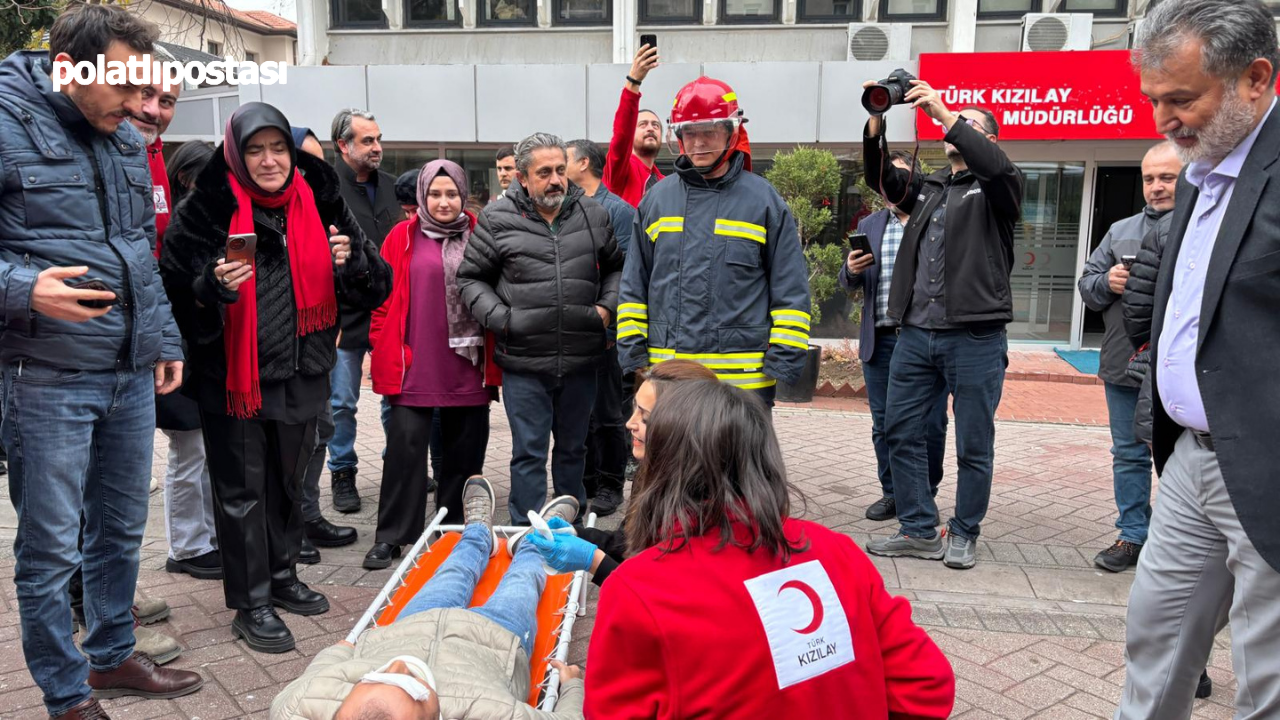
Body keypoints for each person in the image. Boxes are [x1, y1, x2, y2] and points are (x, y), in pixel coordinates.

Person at [0, 5, 203, 717]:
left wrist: (164, 338)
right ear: (67, 69)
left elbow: (140, 255)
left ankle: (111, 655)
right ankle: (64, 692)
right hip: (44, 377)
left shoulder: (119, 137)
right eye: (125, 86)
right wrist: (23, 288)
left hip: (126, 371)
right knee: (51, 549)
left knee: (119, 527)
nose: (141, 105)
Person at [160, 102, 392, 654]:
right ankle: (251, 602)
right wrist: (210, 288)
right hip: (232, 378)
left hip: (302, 368)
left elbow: (375, 284)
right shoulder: (206, 207)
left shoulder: (320, 196)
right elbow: (172, 294)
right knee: (241, 492)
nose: (269, 161)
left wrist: (353, 261)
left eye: (279, 148)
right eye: (256, 150)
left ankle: (284, 575)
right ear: (237, 154)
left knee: (288, 484)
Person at [578, 382, 955, 718]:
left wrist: (570, 693)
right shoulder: (834, 551)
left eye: (643, 417)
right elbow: (929, 687)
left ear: (662, 467)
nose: (631, 424)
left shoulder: (636, 590)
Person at [1118, 1, 1280, 716]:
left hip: (1270, 462)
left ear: (1255, 78)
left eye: (1181, 99)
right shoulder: (1195, 174)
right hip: (1191, 458)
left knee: (1267, 675)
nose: (1163, 121)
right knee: (1155, 635)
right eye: (1154, 100)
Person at [861, 85, 1023, 571]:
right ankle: (917, 528)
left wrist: (944, 112)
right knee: (900, 430)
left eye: (971, 124)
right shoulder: (929, 189)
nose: (956, 126)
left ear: (991, 139)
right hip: (914, 334)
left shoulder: (1000, 184)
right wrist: (876, 120)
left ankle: (965, 531)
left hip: (975, 336)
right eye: (956, 122)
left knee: (974, 441)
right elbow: (881, 178)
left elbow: (992, 165)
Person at [271, 476, 584, 720]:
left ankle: (477, 534)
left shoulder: (303, 705)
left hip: (410, 626)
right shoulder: (490, 710)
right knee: (524, 580)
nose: (398, 668)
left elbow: (307, 683)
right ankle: (535, 542)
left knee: (455, 571)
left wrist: (338, 654)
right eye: (413, 688)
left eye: (373, 679)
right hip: (496, 641)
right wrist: (571, 685)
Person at [458, 132, 624, 524]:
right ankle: (525, 532)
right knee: (529, 452)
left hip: (583, 358)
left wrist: (606, 309)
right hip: (524, 361)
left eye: (560, 171)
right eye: (544, 172)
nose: (555, 180)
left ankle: (566, 533)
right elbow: (470, 279)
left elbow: (617, 267)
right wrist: (504, 320)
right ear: (521, 176)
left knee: (573, 450)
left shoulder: (592, 213)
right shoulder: (497, 220)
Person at [617, 77, 812, 407]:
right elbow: (634, 286)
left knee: (739, 462)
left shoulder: (763, 201)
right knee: (671, 461)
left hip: (742, 385)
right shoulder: (656, 202)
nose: (697, 142)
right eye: (689, 133)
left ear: (731, 131)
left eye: (708, 131)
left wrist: (783, 358)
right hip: (670, 378)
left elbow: (790, 288)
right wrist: (633, 352)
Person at [364, 160, 499, 569]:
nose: (443, 202)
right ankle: (392, 536)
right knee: (404, 451)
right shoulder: (401, 236)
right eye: (436, 194)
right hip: (414, 362)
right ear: (422, 195)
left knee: (463, 454)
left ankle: (452, 532)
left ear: (463, 195)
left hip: (467, 361)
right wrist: (380, 345)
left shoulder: (481, 235)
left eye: (452, 193)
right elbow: (382, 299)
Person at [1078, 141, 1183, 573]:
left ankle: (1177, 541)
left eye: (1167, 177)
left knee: (1180, 458)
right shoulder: (1120, 229)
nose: (1156, 187)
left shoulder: (1202, 228)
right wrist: (1109, 281)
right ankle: (1133, 535)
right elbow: (1086, 284)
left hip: (1182, 368)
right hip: (1124, 362)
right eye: (1149, 178)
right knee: (1129, 453)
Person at [530, 359, 716, 587]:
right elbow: (630, 541)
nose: (630, 423)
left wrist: (593, 561)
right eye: (634, 409)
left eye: (645, 418)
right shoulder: (658, 468)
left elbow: (654, 598)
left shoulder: (708, 503)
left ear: (686, 426)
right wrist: (578, 535)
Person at [838, 150, 948, 523]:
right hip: (881, 341)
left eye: (901, 176)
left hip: (923, 340)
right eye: (888, 180)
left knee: (930, 422)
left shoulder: (935, 220)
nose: (894, 186)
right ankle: (893, 494)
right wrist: (851, 270)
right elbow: (848, 281)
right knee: (884, 425)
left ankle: (923, 492)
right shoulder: (870, 224)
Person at [319, 108, 401, 516]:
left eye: (378, 139)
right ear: (343, 145)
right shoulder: (323, 189)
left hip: (388, 311)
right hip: (344, 315)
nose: (377, 148)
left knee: (394, 395)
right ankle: (343, 472)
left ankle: (397, 466)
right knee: (341, 401)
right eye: (367, 141)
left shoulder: (390, 187)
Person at [290, 123, 360, 565]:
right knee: (291, 442)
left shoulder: (320, 212)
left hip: (319, 342)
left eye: (319, 163)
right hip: (278, 352)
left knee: (320, 432)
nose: (314, 172)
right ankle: (288, 527)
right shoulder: (258, 212)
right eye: (306, 162)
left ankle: (309, 515)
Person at [158, 138, 221, 584]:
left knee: (203, 451)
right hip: (176, 352)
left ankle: (205, 538)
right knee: (188, 449)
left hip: (200, 353)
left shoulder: (203, 221)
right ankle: (187, 546)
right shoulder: (173, 228)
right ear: (186, 178)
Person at [566, 139, 637, 518]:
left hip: (606, 331)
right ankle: (585, 480)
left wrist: (610, 319)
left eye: (562, 158)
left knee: (609, 413)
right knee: (578, 412)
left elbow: (624, 270)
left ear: (582, 163)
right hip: (570, 331)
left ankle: (610, 482)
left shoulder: (619, 212)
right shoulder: (565, 208)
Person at [603, 44, 664, 208]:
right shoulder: (620, 171)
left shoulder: (667, 183)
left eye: (656, 126)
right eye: (643, 124)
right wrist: (633, 82)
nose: (650, 128)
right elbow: (621, 136)